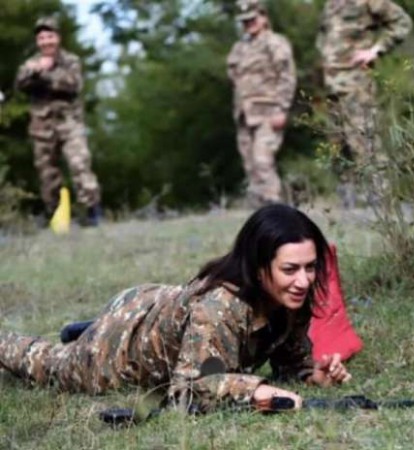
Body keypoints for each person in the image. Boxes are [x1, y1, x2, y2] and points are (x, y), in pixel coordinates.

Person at [0, 204, 351, 412]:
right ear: (259, 268)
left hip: (159, 305)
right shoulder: (219, 308)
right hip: (119, 349)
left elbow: (290, 360)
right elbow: (188, 391)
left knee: (184, 329)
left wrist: (312, 375)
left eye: (310, 266)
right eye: (290, 269)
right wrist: (255, 391)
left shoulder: (290, 294)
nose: (304, 280)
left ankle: (83, 328)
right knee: (48, 363)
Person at [316, 0, 412, 207]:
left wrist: (376, 50)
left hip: (356, 84)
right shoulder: (330, 5)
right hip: (332, 86)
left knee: (365, 138)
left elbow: (402, 23)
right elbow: (325, 38)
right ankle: (348, 202)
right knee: (337, 144)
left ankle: (381, 200)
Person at [15, 17, 102, 226]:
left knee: (79, 164)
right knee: (47, 173)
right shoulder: (31, 64)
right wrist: (35, 73)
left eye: (50, 37)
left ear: (58, 38)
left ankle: (92, 212)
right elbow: (20, 85)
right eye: (42, 38)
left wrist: (44, 76)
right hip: (42, 126)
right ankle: (54, 214)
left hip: (70, 123)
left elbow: (72, 85)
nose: (46, 42)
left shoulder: (70, 61)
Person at [227, 0, 297, 208]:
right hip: (244, 114)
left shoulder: (275, 43)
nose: (249, 24)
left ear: (264, 17)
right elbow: (233, 76)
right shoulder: (240, 47)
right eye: (245, 21)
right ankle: (261, 213)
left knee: (262, 161)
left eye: (252, 19)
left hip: (268, 112)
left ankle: (276, 208)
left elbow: (287, 76)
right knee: (251, 166)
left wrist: (282, 108)